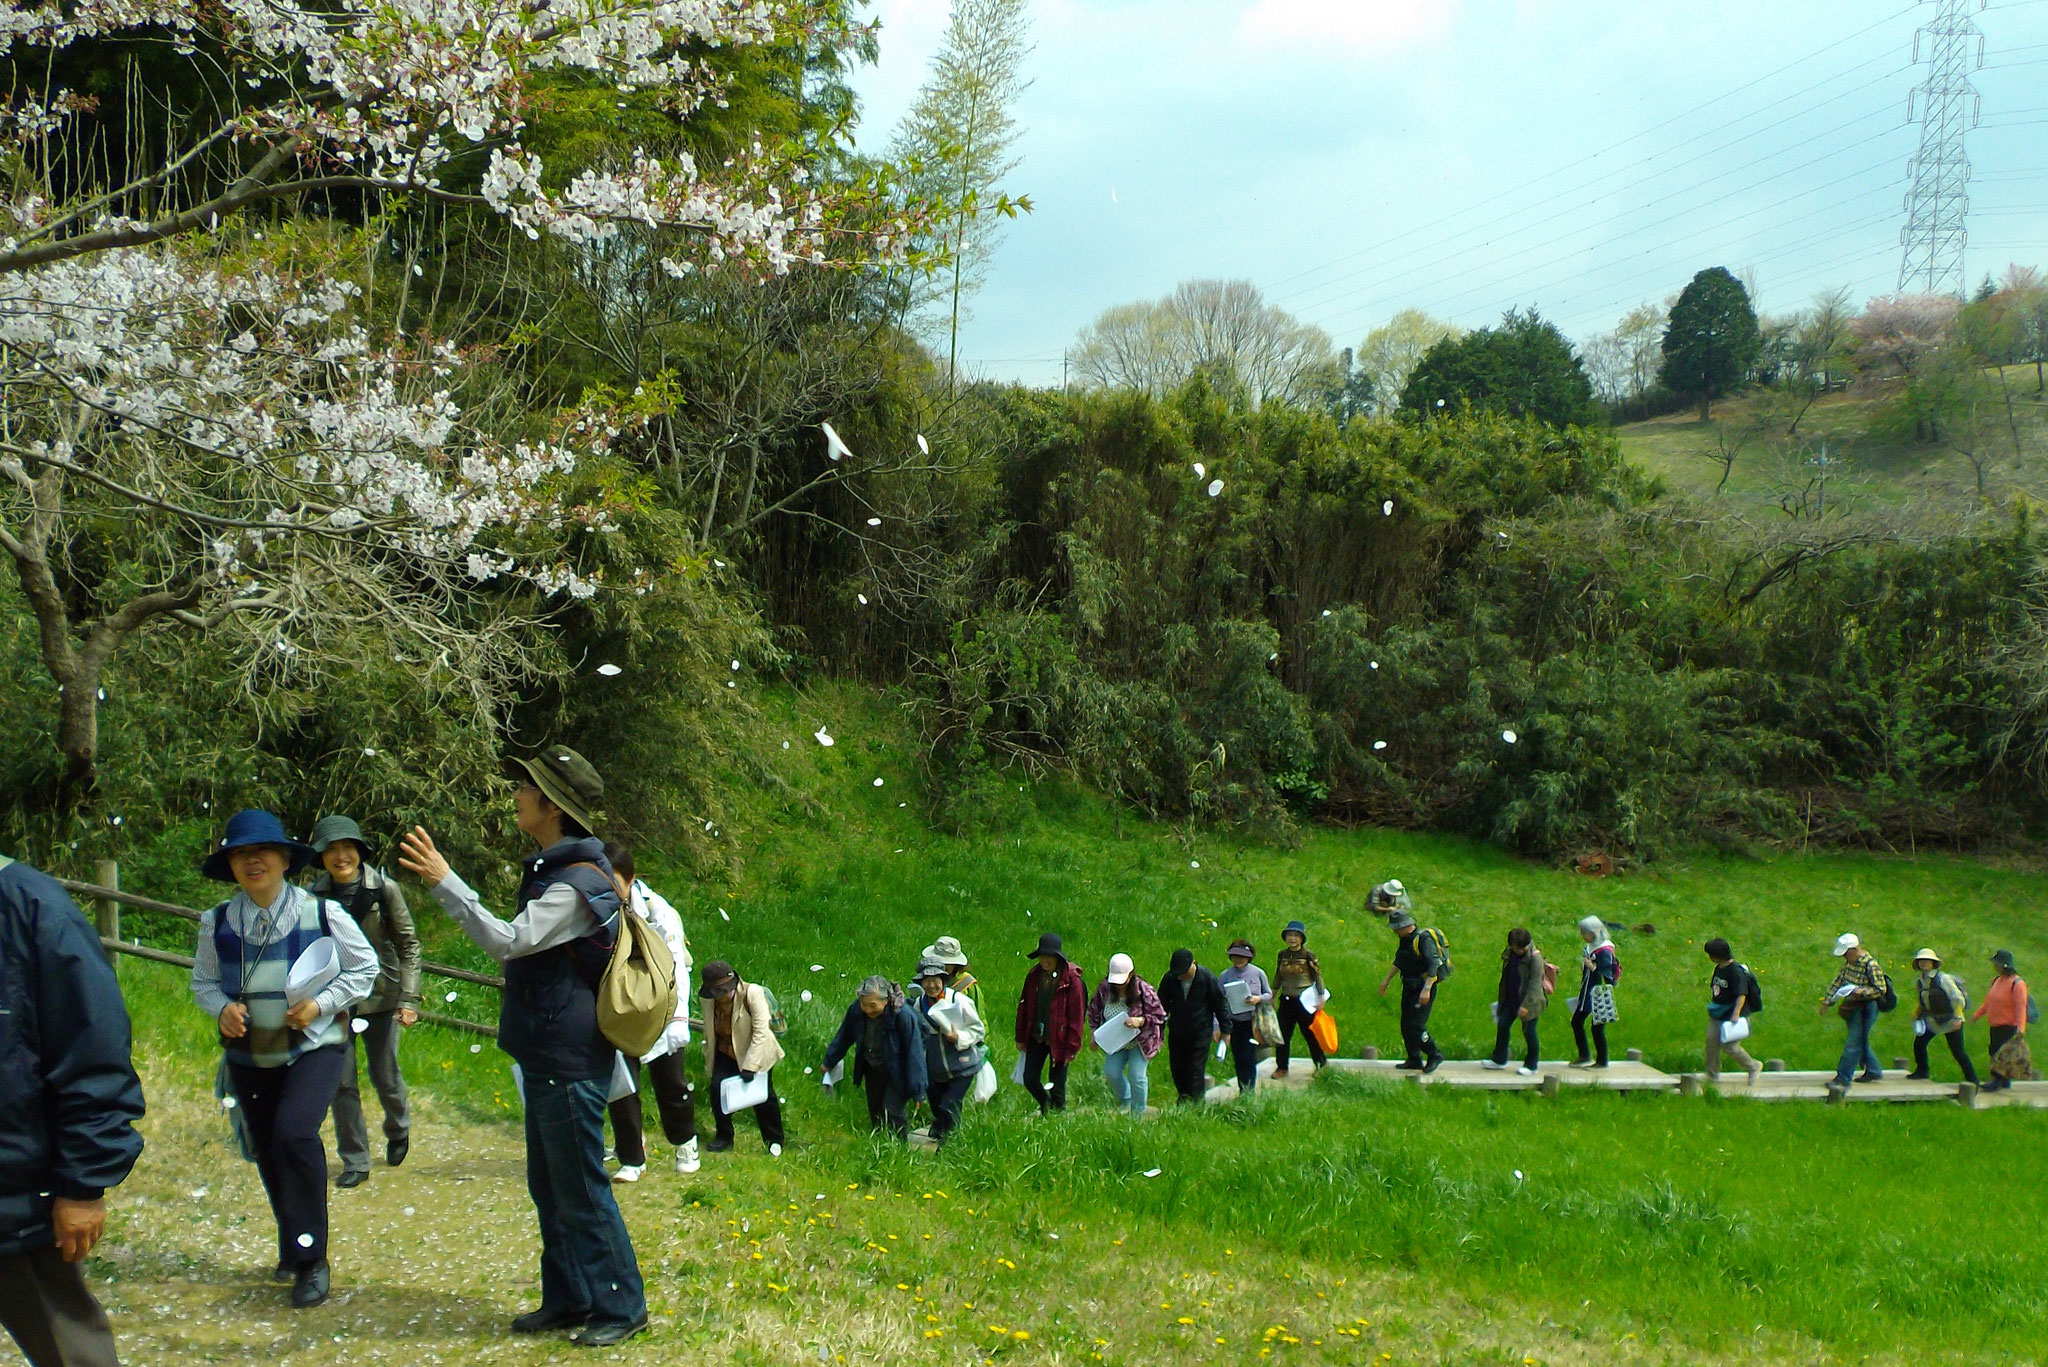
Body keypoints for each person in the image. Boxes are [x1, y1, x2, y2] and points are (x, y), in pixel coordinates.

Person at [397, 748, 647, 1346]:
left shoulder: (578, 884)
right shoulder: (558, 869)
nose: (515, 795)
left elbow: (510, 941)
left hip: (568, 1058)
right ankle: (570, 1297)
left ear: (552, 805)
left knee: (582, 1186)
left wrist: (444, 883)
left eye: (525, 787)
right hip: (550, 1053)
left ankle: (621, 1306)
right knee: (550, 1184)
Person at [192, 809, 378, 1309]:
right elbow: (203, 984)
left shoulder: (322, 914)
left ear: (284, 860)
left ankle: (312, 1258)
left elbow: (366, 969)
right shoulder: (216, 922)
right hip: (251, 1054)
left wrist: (320, 1003)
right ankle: (292, 1241)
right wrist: (222, 1009)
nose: (253, 861)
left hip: (314, 1047)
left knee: (294, 1134)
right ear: (230, 865)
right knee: (268, 1148)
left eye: (263, 852)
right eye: (240, 854)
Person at [0, 853, 146, 1367]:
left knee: (73, 1355)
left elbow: (92, 1050)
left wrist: (83, 1184)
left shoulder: (31, 906)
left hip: (16, 1198)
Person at [305, 815, 420, 1189]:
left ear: (359, 851)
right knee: (340, 1083)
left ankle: (398, 1127)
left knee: (385, 1076)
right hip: (335, 1002)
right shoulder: (313, 896)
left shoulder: (384, 890)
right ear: (321, 856)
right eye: (331, 849)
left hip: (382, 998)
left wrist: (409, 998)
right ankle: (355, 1159)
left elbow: (409, 946)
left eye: (347, 848)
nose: (340, 856)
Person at [601, 844, 698, 1180]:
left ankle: (685, 1142)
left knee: (670, 1081)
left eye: (613, 881)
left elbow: (678, 970)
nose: (607, 888)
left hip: (660, 1005)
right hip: (621, 1005)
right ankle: (632, 1157)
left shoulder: (659, 913)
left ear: (630, 879)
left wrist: (679, 1021)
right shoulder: (599, 909)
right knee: (621, 1082)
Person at [696, 960, 788, 1152]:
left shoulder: (752, 993)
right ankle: (724, 1138)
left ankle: (774, 1141)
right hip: (725, 1051)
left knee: (764, 1097)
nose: (722, 996)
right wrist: (710, 1061)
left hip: (757, 1051)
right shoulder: (708, 1000)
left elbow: (761, 1031)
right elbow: (709, 1031)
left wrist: (750, 1066)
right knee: (717, 1090)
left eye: (724, 990)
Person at [822, 975, 927, 1140]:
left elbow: (915, 1052)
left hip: (898, 1070)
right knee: (875, 1108)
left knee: (892, 1109)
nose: (868, 1010)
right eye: (864, 1005)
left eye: (872, 1005)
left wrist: (918, 1089)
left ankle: (899, 1146)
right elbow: (844, 1035)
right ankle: (878, 1143)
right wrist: (829, 1061)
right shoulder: (857, 1010)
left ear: (886, 1000)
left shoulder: (903, 1015)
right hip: (872, 1066)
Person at [913, 957, 985, 1144]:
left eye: (936, 980)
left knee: (949, 1105)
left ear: (943, 980)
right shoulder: (919, 1005)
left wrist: (959, 1037)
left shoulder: (959, 1001)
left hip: (962, 1066)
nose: (931, 985)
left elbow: (978, 1030)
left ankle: (948, 1145)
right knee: (937, 1105)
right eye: (926, 981)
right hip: (935, 1068)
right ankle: (941, 1129)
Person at [1014, 932, 1087, 1113]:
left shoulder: (1072, 982)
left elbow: (1077, 1016)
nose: (1045, 960)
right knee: (1029, 1078)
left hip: (1060, 1039)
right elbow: (1024, 1006)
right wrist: (1021, 1036)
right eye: (1042, 956)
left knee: (1057, 1086)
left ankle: (1056, 1118)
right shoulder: (1033, 976)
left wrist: (1072, 1047)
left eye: (1049, 957)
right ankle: (1046, 1106)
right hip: (1037, 1036)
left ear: (1057, 957)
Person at [1087, 953, 1164, 1116]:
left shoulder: (1144, 990)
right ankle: (1126, 1099)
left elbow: (1159, 1016)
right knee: (1111, 1072)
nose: (1119, 985)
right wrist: (1093, 1032)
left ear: (1131, 975)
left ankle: (1138, 1111)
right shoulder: (1104, 989)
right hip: (1116, 1040)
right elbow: (1094, 1010)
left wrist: (1140, 1021)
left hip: (1140, 1041)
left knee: (1137, 1075)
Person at [1819, 931, 1889, 1096]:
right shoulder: (1849, 963)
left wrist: (1860, 991)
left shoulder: (1870, 964)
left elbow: (1880, 989)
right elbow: (1839, 981)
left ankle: (1843, 1078)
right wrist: (1827, 1001)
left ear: (1854, 949)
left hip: (1866, 1007)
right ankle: (1873, 1070)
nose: (1844, 956)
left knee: (1853, 1043)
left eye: (1845, 953)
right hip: (1852, 1006)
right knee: (1861, 1040)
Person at [1157, 948, 1230, 1104]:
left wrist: (1226, 1031)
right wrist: (1159, 1028)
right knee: (1177, 1067)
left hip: (1200, 1031)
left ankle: (1196, 1103)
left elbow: (1220, 1004)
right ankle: (1183, 1098)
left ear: (1193, 964)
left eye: (1184, 972)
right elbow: (1161, 1004)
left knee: (1195, 1069)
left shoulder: (1206, 978)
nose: (1181, 976)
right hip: (1177, 1030)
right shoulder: (1170, 978)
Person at [1377, 911, 1444, 1073]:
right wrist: (1387, 980)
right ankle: (1414, 1058)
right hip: (1409, 985)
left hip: (1423, 987)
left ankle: (1434, 1054)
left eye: (1396, 928)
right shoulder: (1405, 940)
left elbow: (1434, 963)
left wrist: (1427, 989)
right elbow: (1400, 960)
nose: (1394, 932)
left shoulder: (1423, 940)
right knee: (1406, 1024)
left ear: (1404, 926)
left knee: (1416, 1025)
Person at [1906, 948, 1979, 1086]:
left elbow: (1957, 998)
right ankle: (1922, 1070)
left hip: (1950, 1019)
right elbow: (1924, 1000)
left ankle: (1972, 1079)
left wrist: (1958, 1017)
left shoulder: (1943, 979)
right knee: (1919, 1044)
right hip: (1933, 1020)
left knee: (1958, 1051)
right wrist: (1917, 1013)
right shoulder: (1921, 981)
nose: (1923, 963)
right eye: (1921, 961)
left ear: (1933, 963)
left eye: (1926, 961)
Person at [1482, 927, 1546, 1075]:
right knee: (1503, 1024)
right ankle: (1499, 1058)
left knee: (1529, 1032)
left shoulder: (1535, 959)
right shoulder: (1510, 952)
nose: (1516, 951)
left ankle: (1531, 1065)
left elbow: (1535, 985)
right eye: (1514, 948)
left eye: (1519, 949)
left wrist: (1526, 1006)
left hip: (1529, 1001)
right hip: (1511, 997)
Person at [1702, 938, 1763, 1085]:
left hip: (1733, 1015)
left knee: (1729, 1046)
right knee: (1711, 1043)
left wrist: (1736, 1013)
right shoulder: (1719, 968)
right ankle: (1712, 1074)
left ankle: (1753, 1066)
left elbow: (1741, 994)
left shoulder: (1736, 972)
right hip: (1718, 1013)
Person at [1271, 920, 1327, 1077]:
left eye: (1296, 935)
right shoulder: (1282, 955)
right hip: (1286, 1000)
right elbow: (1278, 975)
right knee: (1282, 1035)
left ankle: (1320, 1064)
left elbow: (1317, 976)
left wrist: (1321, 997)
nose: (1292, 938)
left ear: (1301, 938)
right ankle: (1282, 1067)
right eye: (1289, 935)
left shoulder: (1308, 955)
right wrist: (1273, 993)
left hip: (1304, 1001)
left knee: (1310, 1034)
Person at [1973, 949, 2031, 1092]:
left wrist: (2020, 1028)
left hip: (2008, 1026)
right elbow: (1989, 1002)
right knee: (1993, 1050)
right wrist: (1977, 1015)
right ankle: (2003, 1080)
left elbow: (2020, 1007)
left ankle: (1996, 1080)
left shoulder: (2017, 984)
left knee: (2001, 1055)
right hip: (1995, 1024)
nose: (1995, 967)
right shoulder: (1996, 981)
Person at [1219, 939, 1271, 1093]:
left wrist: (1258, 999)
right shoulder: (1225, 976)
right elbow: (1218, 1001)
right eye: (1235, 956)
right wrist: (1218, 1026)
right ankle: (1242, 1088)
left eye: (1242, 956)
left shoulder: (1258, 973)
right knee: (1238, 1057)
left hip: (1252, 1022)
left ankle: (1249, 1090)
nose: (1238, 959)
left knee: (1249, 1057)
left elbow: (1268, 994)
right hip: (1233, 1023)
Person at [1569, 916, 1619, 1070]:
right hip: (1587, 992)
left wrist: (1592, 967)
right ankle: (1584, 1055)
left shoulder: (1604, 950)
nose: (1583, 935)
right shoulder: (1591, 946)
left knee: (1596, 1027)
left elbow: (1607, 976)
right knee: (1577, 1022)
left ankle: (1602, 1061)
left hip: (1599, 993)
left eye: (1585, 932)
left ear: (1594, 933)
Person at [921, 935, 984, 1018]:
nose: (942, 966)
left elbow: (979, 1016)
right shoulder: (924, 979)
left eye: (947, 964)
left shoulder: (967, 983)